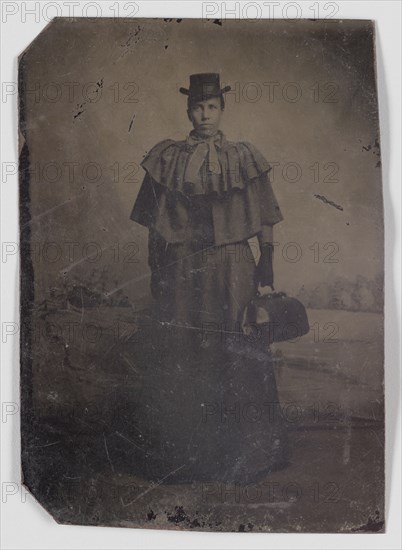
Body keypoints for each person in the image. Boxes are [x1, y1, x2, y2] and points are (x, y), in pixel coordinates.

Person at [129, 73, 289, 483]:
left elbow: (265, 212)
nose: (205, 115)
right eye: (198, 107)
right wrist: (156, 268)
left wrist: (266, 260)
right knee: (186, 351)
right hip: (183, 267)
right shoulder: (167, 158)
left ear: (222, 109)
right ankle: (189, 454)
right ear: (188, 110)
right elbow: (152, 221)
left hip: (233, 266)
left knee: (238, 350)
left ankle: (248, 453)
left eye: (213, 107)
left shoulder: (244, 156)